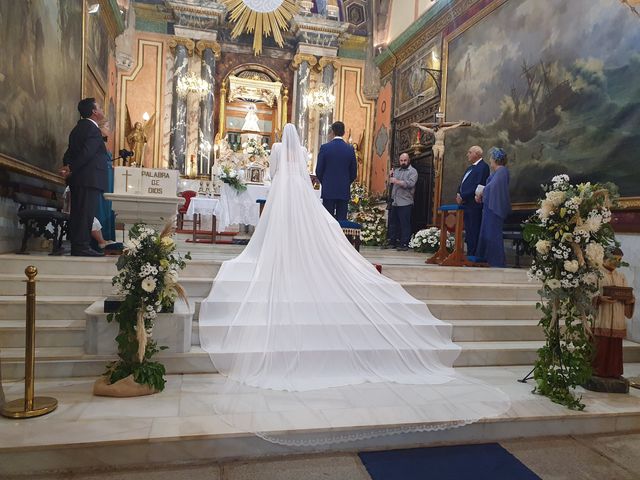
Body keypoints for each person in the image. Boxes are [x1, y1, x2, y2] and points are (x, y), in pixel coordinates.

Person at [197, 124, 509, 441]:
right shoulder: (339, 150)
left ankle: (282, 252)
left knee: (283, 227)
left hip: (286, 191)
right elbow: (343, 171)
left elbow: (310, 170)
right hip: (330, 190)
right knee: (328, 227)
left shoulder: (292, 151)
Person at [62, 98, 108, 257]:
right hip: (89, 179)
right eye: (100, 107)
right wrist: (72, 168)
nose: (102, 110)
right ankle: (81, 247)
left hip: (79, 179)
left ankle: (78, 246)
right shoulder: (92, 129)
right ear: (94, 112)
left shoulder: (77, 128)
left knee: (79, 213)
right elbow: (87, 153)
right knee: (85, 213)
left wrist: (68, 166)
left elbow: (69, 153)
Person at [592, 248, 635, 379]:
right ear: (605, 258)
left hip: (617, 316)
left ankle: (613, 371)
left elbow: (628, 294)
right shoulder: (596, 274)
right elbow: (588, 294)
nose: (616, 262)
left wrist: (630, 299)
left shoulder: (621, 276)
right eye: (614, 259)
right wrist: (599, 298)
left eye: (619, 260)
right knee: (600, 346)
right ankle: (596, 371)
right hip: (602, 316)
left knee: (615, 348)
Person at [474, 147, 511, 267]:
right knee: (487, 233)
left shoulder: (502, 171)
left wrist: (482, 192)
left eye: (491, 158)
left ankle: (496, 261)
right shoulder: (497, 172)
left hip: (495, 209)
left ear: (495, 159)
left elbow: (493, 187)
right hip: (490, 207)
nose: (490, 160)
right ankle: (486, 258)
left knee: (493, 234)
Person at [315, 121, 357, 221]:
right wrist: (346, 182)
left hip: (328, 190)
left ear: (332, 132)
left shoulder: (325, 148)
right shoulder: (350, 149)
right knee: (341, 221)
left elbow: (319, 170)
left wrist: (325, 182)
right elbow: (354, 173)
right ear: (344, 132)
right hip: (343, 190)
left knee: (327, 221)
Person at [456, 145, 489, 257]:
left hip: (475, 205)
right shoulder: (470, 168)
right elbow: (462, 182)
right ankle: (469, 253)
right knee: (469, 231)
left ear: (477, 154)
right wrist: (458, 193)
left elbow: (478, 185)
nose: (467, 154)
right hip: (467, 204)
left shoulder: (483, 167)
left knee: (474, 229)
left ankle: (474, 255)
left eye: (470, 152)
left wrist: (463, 196)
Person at [385, 153, 418, 251]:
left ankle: (404, 243)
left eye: (405, 160)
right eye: (401, 160)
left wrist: (397, 181)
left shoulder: (413, 171)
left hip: (405, 202)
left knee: (405, 224)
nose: (403, 162)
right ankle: (392, 242)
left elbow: (411, 184)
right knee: (393, 223)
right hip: (395, 201)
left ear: (409, 160)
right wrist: (389, 176)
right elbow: (390, 182)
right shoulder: (396, 171)